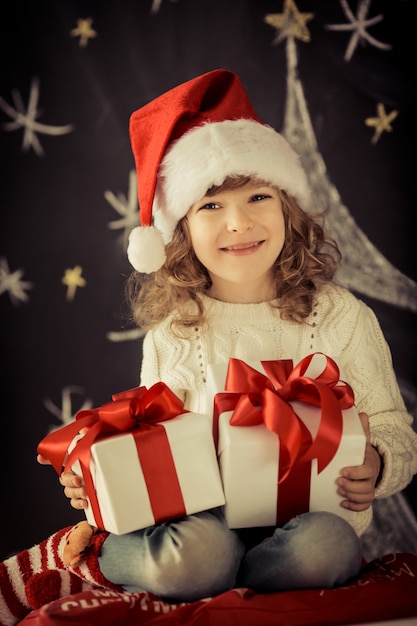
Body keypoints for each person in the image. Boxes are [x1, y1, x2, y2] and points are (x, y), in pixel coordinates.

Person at [2, 69, 417, 625]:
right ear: (183, 233)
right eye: (211, 206)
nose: (239, 222)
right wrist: (97, 471)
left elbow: (393, 425)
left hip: (300, 526)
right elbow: (145, 439)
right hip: (202, 524)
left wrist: (378, 459)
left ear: (289, 209)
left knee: (330, 549)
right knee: (200, 555)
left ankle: (226, 583)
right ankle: (100, 556)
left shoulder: (341, 317)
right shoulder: (175, 331)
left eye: (258, 196)